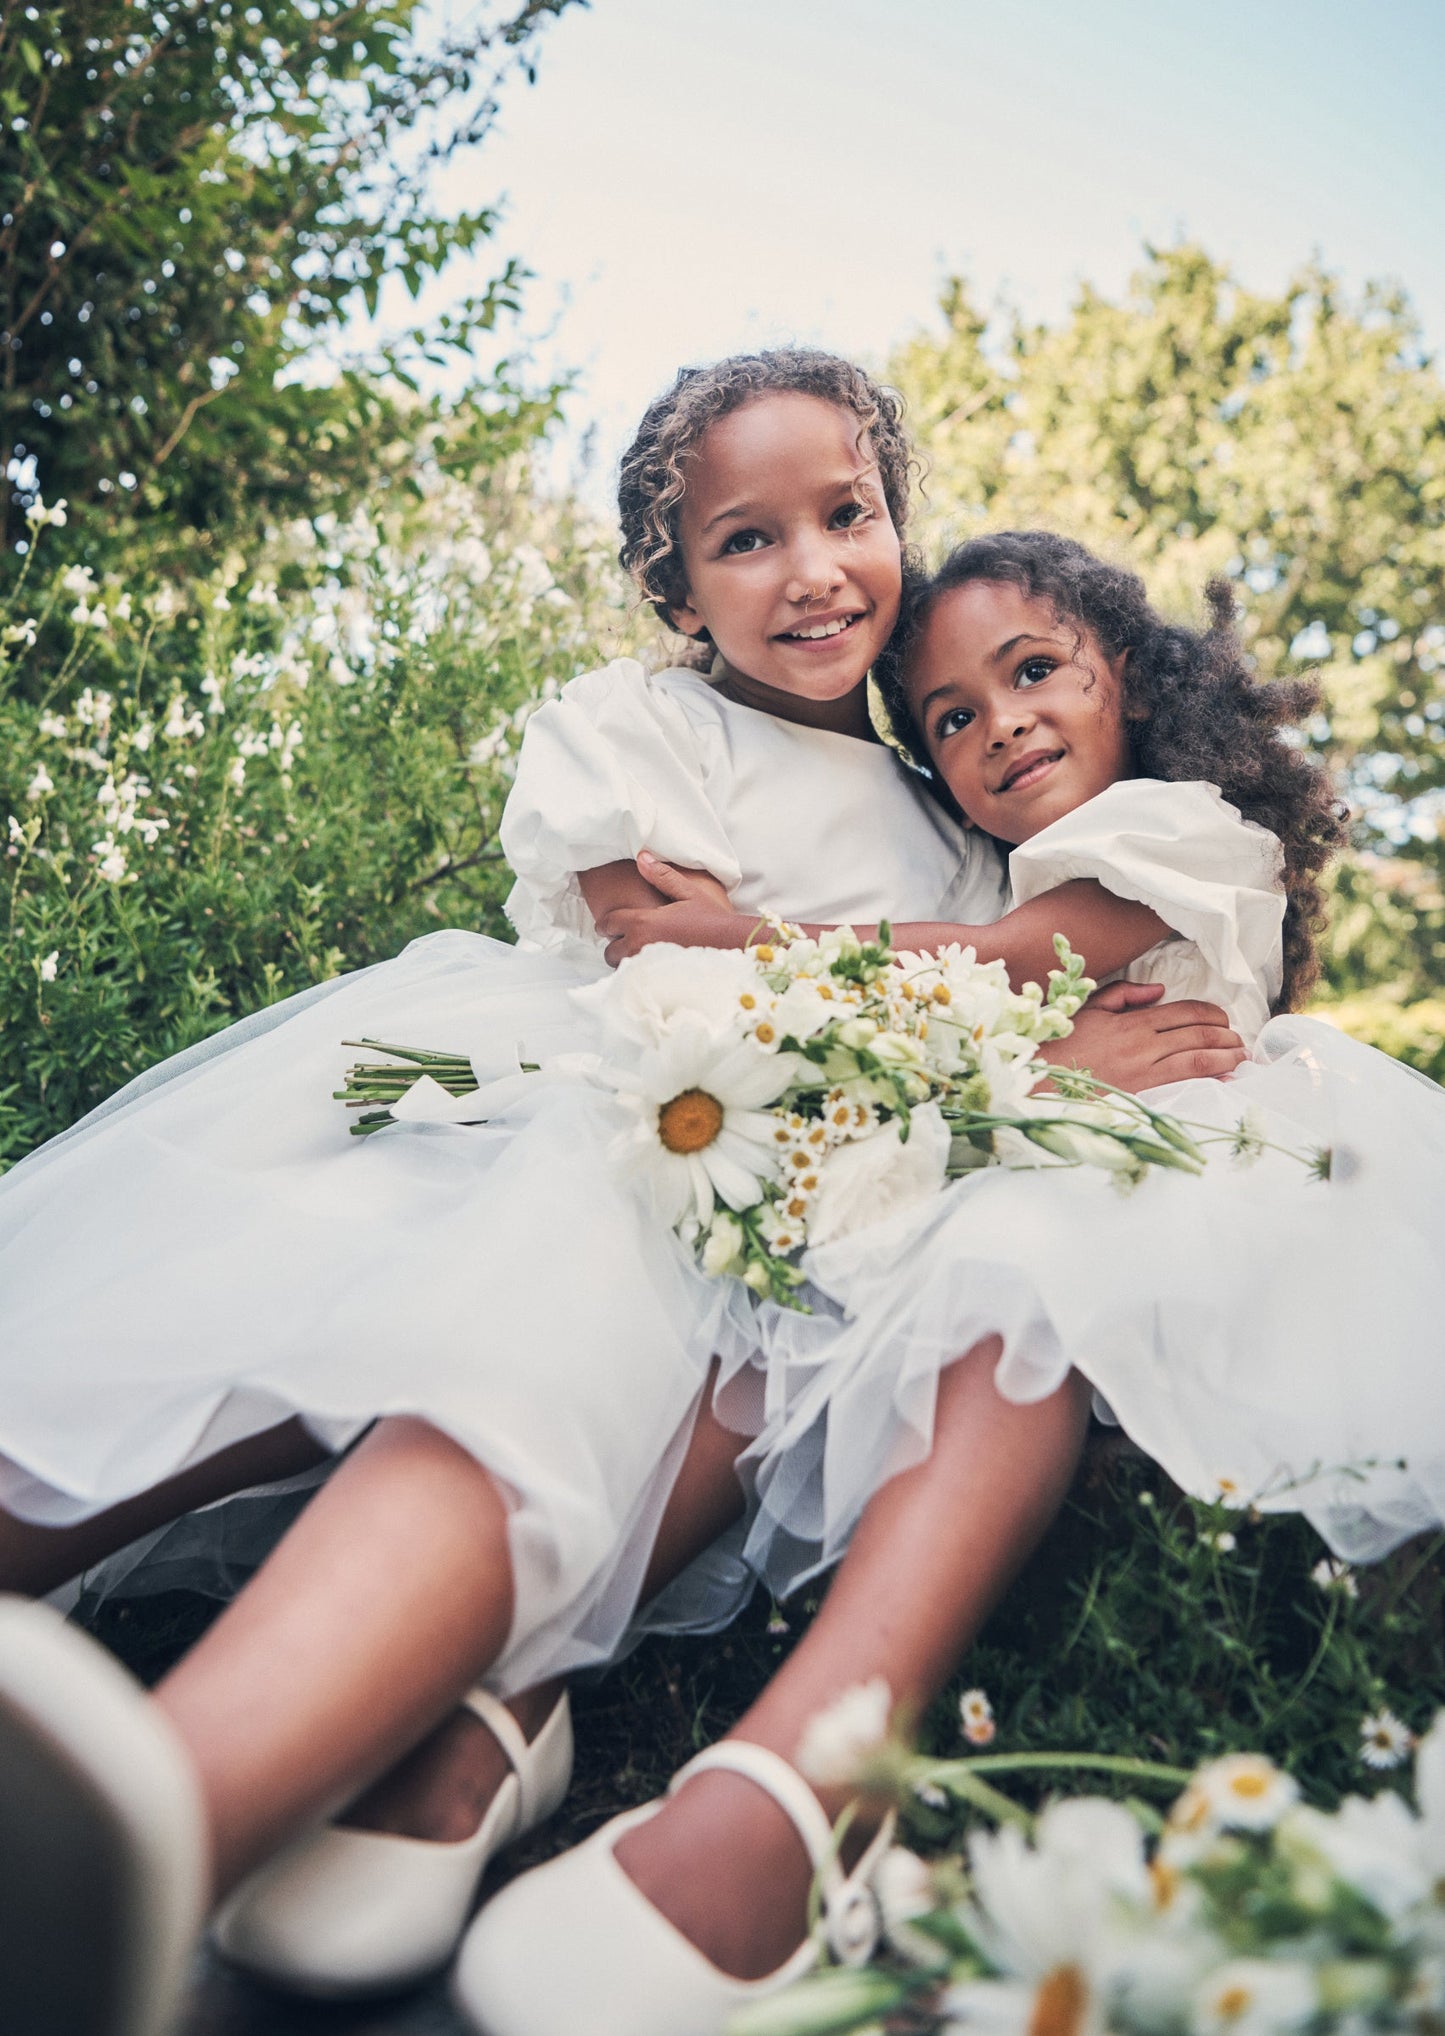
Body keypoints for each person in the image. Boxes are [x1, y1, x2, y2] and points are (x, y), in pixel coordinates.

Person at [0, 365, 1239, 2033]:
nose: (810, 568)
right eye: (746, 538)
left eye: (847, 516)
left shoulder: (949, 836)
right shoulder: (635, 729)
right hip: (538, 1107)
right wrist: (959, 1023)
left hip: (722, 1200)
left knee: (527, 1356)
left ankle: (155, 1823)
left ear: (895, 526)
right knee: (223, 1313)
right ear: (673, 588)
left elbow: (958, 1005)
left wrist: (979, 1032)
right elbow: (672, 975)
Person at [459, 532, 1444, 2036]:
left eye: (1034, 673)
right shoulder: (993, 860)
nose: (1001, 728)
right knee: (803, 1270)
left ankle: (812, 1784)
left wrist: (736, 940)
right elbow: (987, 1004)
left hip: (1185, 1176)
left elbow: (1008, 959)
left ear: (1135, 683)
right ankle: (514, 1671)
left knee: (1014, 1263)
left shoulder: (1180, 830)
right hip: (1030, 1145)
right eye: (950, 721)